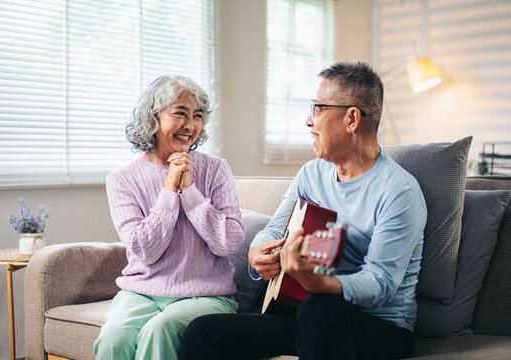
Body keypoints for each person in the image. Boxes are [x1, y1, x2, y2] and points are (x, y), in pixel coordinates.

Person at [183, 62, 427, 360]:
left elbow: (381, 284)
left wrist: (318, 283)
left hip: (380, 326)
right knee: (203, 333)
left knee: (319, 309)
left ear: (352, 118)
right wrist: (257, 253)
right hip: (304, 311)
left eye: (318, 108)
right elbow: (274, 229)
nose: (308, 121)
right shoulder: (311, 174)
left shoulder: (399, 191)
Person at [93, 75, 245, 360]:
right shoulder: (121, 179)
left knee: (159, 330)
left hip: (206, 294)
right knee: (114, 339)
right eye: (181, 114)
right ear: (152, 119)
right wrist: (169, 186)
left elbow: (229, 243)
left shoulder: (216, 169)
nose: (191, 125)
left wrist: (189, 190)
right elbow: (144, 250)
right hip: (141, 293)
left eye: (198, 116)